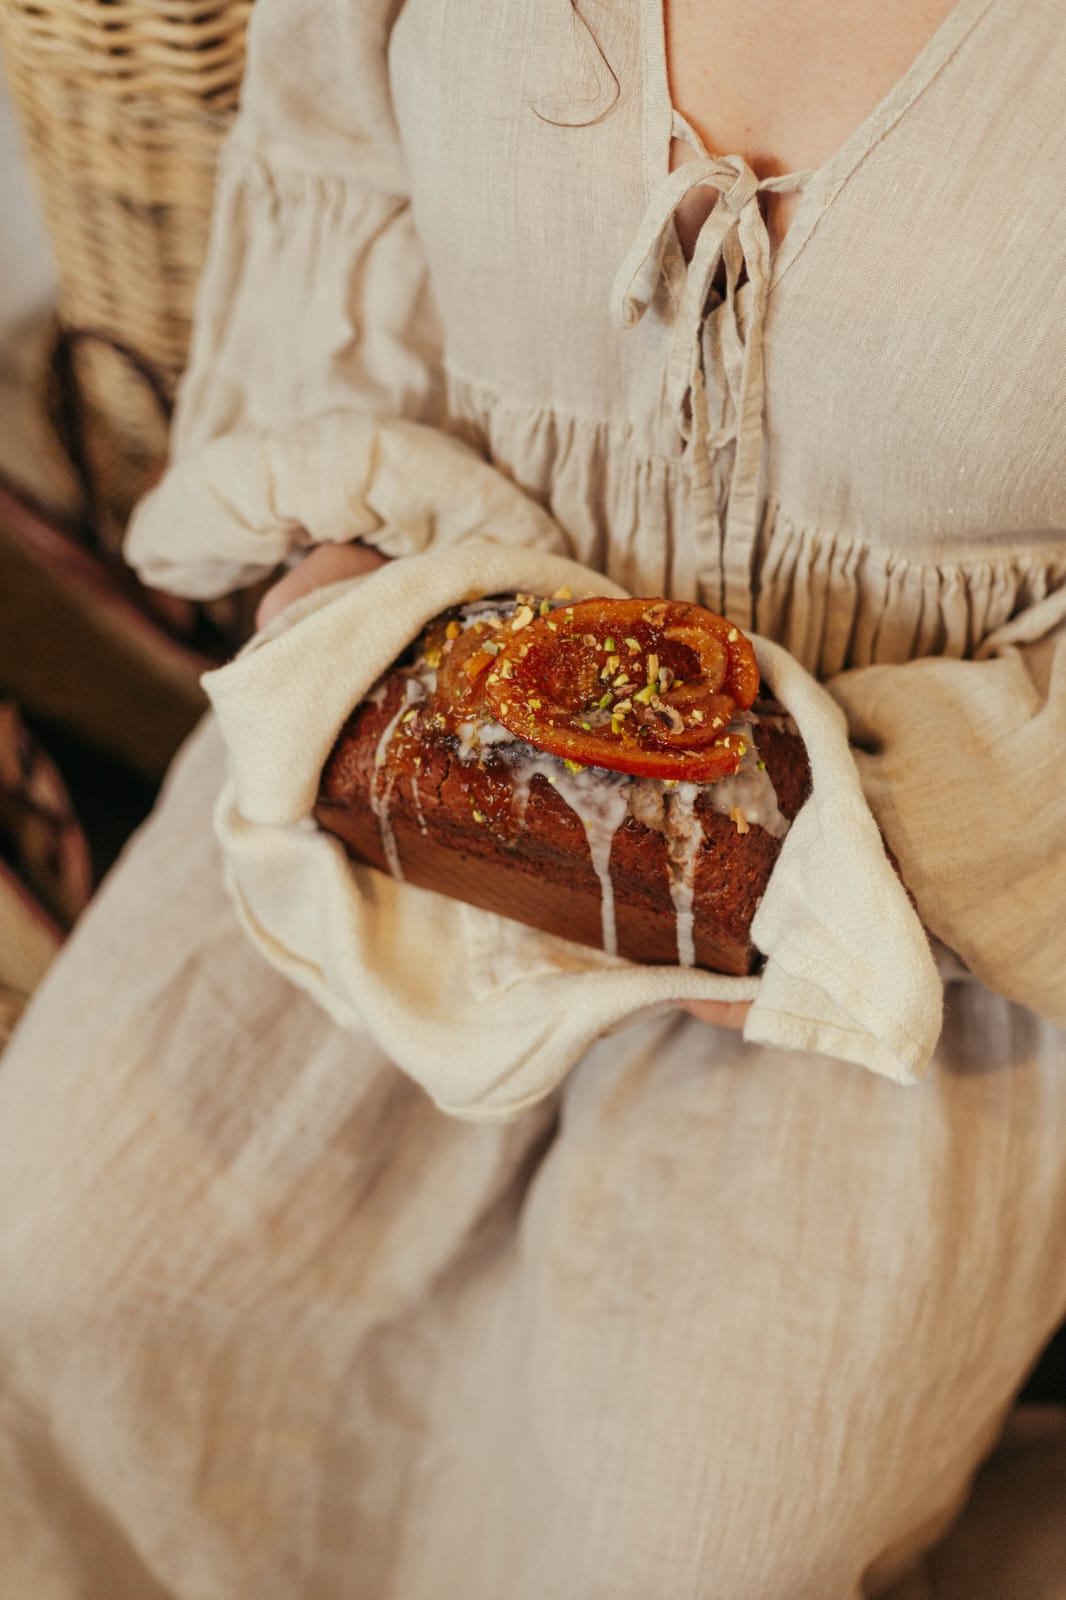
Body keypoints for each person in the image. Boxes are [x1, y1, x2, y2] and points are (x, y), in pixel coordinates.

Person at [1, 0, 1064, 1594]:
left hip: (920, 918)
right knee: (69, 1263)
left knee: (701, 1537)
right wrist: (330, 583)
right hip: (409, 761)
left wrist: (846, 871)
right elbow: (335, 215)